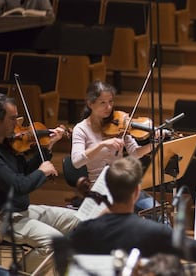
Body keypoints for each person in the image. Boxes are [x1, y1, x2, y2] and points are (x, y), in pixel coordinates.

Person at [67, 155, 196, 264]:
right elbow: (191, 249)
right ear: (136, 192)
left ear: (107, 189)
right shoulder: (151, 231)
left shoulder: (84, 230)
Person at [0, 94, 79, 274]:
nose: (17, 124)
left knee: (78, 221)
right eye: (12, 119)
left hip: (21, 210)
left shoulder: (6, 145)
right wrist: (42, 171)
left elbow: (25, 171)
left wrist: (47, 147)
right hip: (2, 218)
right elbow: (19, 186)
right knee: (53, 242)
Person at [71, 80, 166, 218]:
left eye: (111, 101)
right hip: (99, 189)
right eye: (103, 102)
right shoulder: (81, 129)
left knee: (158, 212)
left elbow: (135, 153)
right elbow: (76, 161)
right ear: (90, 103)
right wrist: (102, 144)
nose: (109, 107)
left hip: (123, 185)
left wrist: (155, 143)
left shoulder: (119, 122)